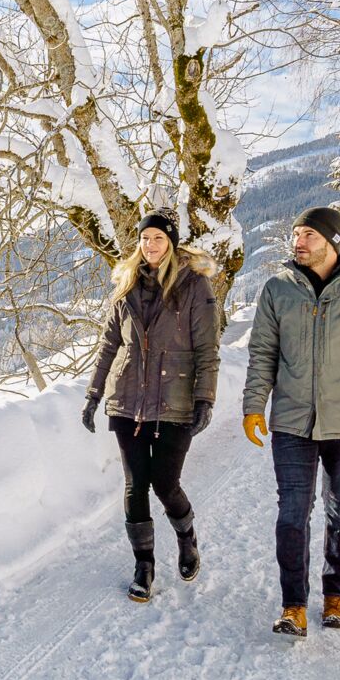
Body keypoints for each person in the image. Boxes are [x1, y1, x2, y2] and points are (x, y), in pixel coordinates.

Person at [241, 205, 340, 637]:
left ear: (334, 242)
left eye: (309, 234)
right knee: (292, 514)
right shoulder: (278, 289)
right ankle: (294, 605)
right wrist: (254, 405)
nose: (299, 241)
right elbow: (263, 355)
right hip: (292, 423)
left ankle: (336, 595)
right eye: (296, 233)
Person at [82, 212, 220, 604]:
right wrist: (94, 394)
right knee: (134, 484)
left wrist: (204, 398)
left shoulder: (194, 286)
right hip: (127, 401)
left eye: (158, 238)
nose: (151, 245)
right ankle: (144, 566)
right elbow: (109, 345)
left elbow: (207, 350)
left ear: (172, 242)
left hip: (174, 401)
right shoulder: (125, 286)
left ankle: (186, 536)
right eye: (145, 239)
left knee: (165, 482)